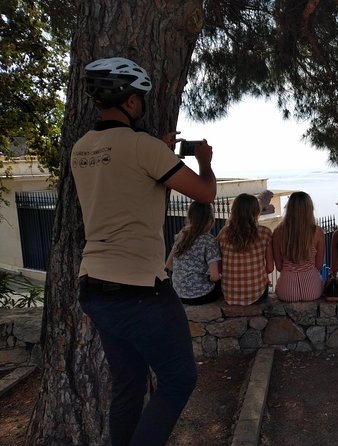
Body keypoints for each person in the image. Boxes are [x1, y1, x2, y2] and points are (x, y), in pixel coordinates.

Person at [71, 57, 216, 446]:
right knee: (179, 378)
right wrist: (204, 161)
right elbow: (205, 194)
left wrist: (158, 151)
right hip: (140, 289)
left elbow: (126, 187)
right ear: (131, 103)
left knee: (129, 382)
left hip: (94, 287)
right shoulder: (142, 147)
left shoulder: (81, 149)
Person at [217, 193, 273, 305]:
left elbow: (219, 267)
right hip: (257, 294)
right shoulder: (265, 233)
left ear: (234, 211)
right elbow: (270, 268)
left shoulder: (223, 234)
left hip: (229, 294)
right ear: (257, 211)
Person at [272, 191, 325, 301]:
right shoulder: (317, 232)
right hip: (313, 290)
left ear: (289, 208)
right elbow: (319, 265)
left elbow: (279, 267)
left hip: (286, 291)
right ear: (309, 209)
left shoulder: (278, 232)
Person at [166, 202, 222, 305]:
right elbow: (214, 277)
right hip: (200, 296)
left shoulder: (182, 235)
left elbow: (168, 264)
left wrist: (185, 272)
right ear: (210, 219)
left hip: (178, 293)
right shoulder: (209, 240)